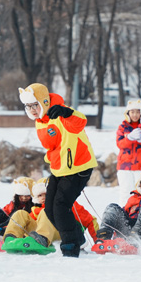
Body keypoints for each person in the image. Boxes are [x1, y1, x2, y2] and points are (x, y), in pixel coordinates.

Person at [18, 83, 97, 257]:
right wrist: (51, 159)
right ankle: (77, 237)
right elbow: (52, 146)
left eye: (34, 104)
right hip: (59, 168)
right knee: (49, 208)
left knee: (61, 206)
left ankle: (70, 247)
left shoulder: (61, 112)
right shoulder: (40, 121)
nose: (31, 109)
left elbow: (80, 122)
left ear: (43, 101)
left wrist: (67, 113)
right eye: (28, 106)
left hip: (79, 167)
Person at [116, 99, 141, 205]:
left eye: (137, 112)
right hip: (125, 167)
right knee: (125, 192)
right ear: (128, 113)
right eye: (132, 112)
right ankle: (124, 215)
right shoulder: (123, 127)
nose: (135, 115)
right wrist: (129, 138)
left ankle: (140, 215)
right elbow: (119, 144)